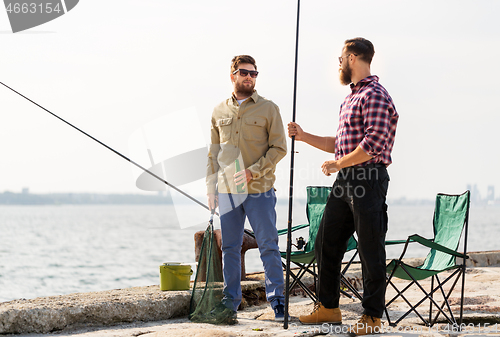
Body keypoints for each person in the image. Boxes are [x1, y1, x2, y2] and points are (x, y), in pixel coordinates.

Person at [289, 38, 398, 335]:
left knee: (370, 249)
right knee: (326, 241)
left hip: (368, 179)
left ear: (352, 57)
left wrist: (339, 164)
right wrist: (303, 135)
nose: (338, 63)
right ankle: (329, 307)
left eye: (340, 57)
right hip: (346, 181)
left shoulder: (374, 94)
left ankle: (372, 317)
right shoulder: (351, 97)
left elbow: (373, 144)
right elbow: (340, 145)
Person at [206, 55, 288, 324]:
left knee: (268, 246)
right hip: (227, 191)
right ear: (233, 75)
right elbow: (213, 154)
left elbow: (279, 148)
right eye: (244, 73)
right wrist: (211, 189)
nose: (249, 77)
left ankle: (278, 303)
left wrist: (254, 170)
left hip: (260, 190)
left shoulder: (269, 109)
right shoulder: (219, 112)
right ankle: (230, 303)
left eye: (254, 73)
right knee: (229, 247)